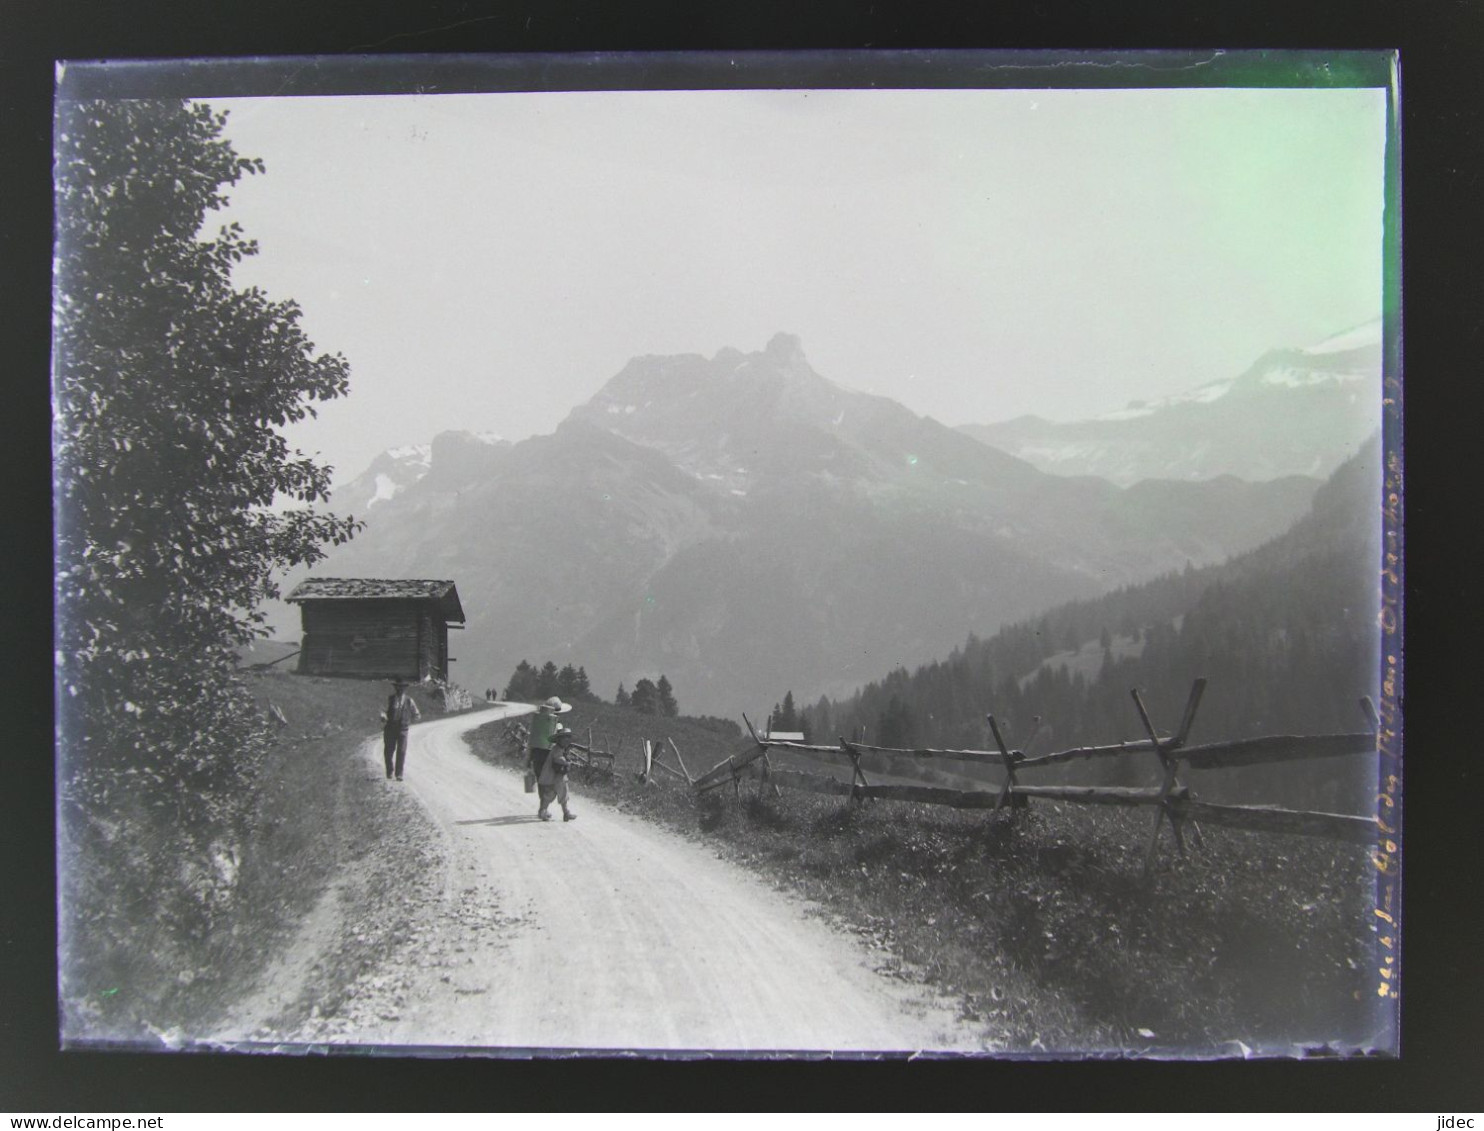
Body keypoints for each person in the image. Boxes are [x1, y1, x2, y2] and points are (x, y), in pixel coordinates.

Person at [527, 696, 574, 821]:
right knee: (550, 785)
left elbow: (531, 741)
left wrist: (528, 760)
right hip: (550, 758)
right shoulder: (557, 724)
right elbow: (558, 744)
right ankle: (543, 810)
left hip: (537, 756)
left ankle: (543, 809)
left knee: (542, 782)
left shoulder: (538, 724)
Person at [537, 726, 578, 823]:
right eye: (565, 737)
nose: (567, 740)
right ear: (559, 739)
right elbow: (558, 759)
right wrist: (567, 762)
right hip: (555, 777)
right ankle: (546, 812)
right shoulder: (557, 750)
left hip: (556, 777)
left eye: (568, 737)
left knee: (558, 794)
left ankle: (564, 813)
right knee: (554, 795)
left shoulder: (560, 749)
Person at [382, 678, 421, 781]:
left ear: (405, 689)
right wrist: (383, 716)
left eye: (402, 687)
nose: (400, 689)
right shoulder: (390, 699)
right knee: (388, 751)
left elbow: (417, 714)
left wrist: (410, 720)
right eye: (398, 687)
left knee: (402, 751)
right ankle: (389, 771)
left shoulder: (409, 700)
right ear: (395, 688)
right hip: (390, 728)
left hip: (403, 729)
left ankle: (399, 774)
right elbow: (384, 711)